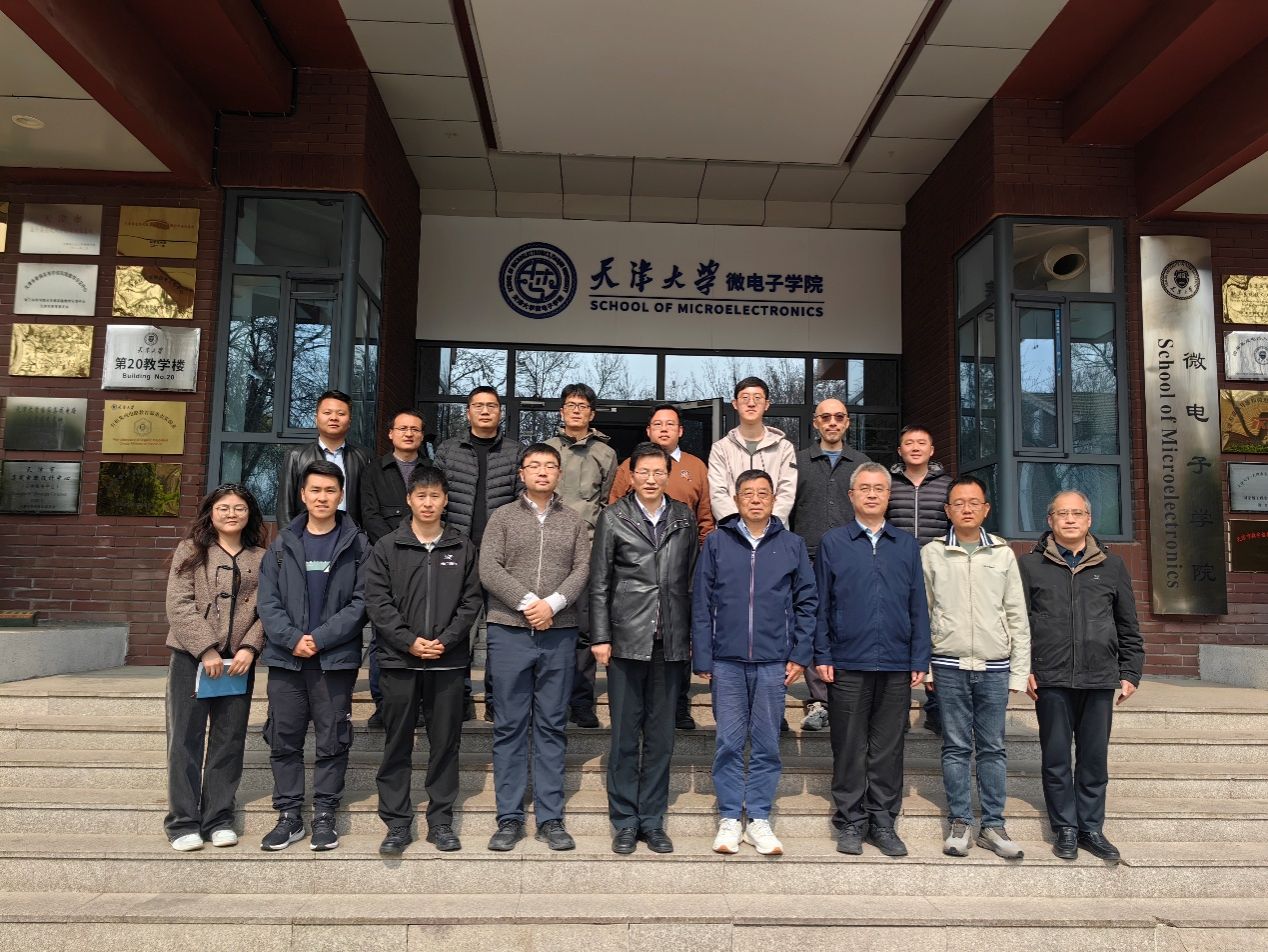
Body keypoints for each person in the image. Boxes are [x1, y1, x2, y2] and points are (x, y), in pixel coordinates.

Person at [692, 469, 816, 856]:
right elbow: (701, 601)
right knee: (729, 741)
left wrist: (800, 654)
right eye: (748, 493)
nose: (756, 500)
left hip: (773, 661)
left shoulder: (792, 544)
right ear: (736, 499)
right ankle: (730, 816)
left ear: (774, 499)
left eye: (763, 493)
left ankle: (759, 817)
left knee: (766, 743)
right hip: (726, 660)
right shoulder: (717, 542)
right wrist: (703, 654)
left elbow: (807, 602)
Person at [1019, 490, 1144, 865]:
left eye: (1077, 513)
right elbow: (1018, 623)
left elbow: (1127, 624)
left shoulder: (1113, 566)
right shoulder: (1030, 566)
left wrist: (1130, 671)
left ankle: (1091, 828)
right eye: (1062, 514)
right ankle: (1065, 829)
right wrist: (1023, 667)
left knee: (1093, 759)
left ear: (1089, 520)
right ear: (1050, 521)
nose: (1070, 519)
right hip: (1051, 677)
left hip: (1099, 677)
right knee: (1056, 758)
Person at [364, 464, 482, 856]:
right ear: (409, 500)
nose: (428, 503)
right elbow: (377, 602)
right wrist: (409, 641)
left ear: (445, 500)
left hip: (447, 663)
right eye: (421, 496)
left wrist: (445, 641)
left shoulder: (462, 546)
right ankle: (397, 823)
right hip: (399, 662)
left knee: (445, 743)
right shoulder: (387, 547)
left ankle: (441, 821)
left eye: (435, 496)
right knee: (397, 743)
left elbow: (471, 602)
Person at [814, 462, 930, 858]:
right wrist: (822, 652)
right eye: (864, 488)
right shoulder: (833, 542)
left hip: (896, 662)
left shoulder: (906, 545)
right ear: (851, 496)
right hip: (847, 660)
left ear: (888, 495)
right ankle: (851, 820)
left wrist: (919, 656)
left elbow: (918, 605)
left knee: (888, 749)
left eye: (879, 488)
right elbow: (820, 603)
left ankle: (882, 821)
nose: (872, 494)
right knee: (848, 746)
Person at [479, 443, 591, 853]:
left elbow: (582, 568)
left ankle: (550, 818)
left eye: (550, 466)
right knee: (509, 725)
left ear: (559, 474)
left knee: (551, 725)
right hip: (509, 630)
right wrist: (529, 604)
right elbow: (488, 567)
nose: (542, 472)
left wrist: (553, 605)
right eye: (534, 465)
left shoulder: (574, 522)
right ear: (522, 473)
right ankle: (509, 818)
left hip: (559, 633)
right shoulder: (502, 517)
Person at [257, 460, 370, 852]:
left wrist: (319, 638)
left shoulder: (358, 545)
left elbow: (362, 602)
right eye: (315, 490)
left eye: (330, 491)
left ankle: (324, 814)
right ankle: (289, 815)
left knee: (332, 738)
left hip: (333, 660)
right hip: (286, 659)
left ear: (341, 495)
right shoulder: (282, 544)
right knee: (284, 738)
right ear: (303, 495)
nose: (322, 497)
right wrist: (292, 639)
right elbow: (267, 601)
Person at [591, 442, 697, 855]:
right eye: (644, 472)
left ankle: (652, 821)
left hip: (670, 641)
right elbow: (600, 581)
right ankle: (624, 821)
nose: (651, 479)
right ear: (631, 476)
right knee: (623, 737)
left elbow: (690, 580)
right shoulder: (613, 517)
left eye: (658, 472)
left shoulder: (683, 517)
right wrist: (600, 636)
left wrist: (691, 635)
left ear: (668, 475)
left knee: (660, 738)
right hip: (626, 639)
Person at [921, 475, 1030, 859]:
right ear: (947, 510)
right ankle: (960, 822)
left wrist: (1019, 670)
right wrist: (926, 667)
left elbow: (1016, 614)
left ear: (985, 509)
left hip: (994, 666)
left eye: (974, 503)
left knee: (993, 748)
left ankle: (994, 825)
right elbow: (924, 611)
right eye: (958, 503)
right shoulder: (933, 553)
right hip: (947, 663)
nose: (966, 509)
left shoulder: (1002, 553)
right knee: (955, 747)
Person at [163, 484, 267, 851]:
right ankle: (182, 822)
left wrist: (251, 648)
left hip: (238, 663)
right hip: (191, 659)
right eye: (224, 507)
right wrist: (205, 649)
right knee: (185, 740)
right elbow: (178, 604)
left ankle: (219, 818)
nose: (231, 514)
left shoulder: (262, 557)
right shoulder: (191, 550)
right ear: (211, 512)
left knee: (229, 740)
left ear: (250, 515)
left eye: (239, 508)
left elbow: (268, 608)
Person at [608, 403, 714, 730]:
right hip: (637, 572)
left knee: (677, 641)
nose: (664, 429)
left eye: (670, 424)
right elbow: (614, 510)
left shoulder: (696, 466)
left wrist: (698, 558)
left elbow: (705, 518)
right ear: (649, 431)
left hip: (680, 566)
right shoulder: (629, 466)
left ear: (681, 431)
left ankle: (679, 706)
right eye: (658, 424)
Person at [435, 386, 523, 723]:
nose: (485, 411)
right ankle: (458, 699)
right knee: (459, 628)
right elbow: (438, 498)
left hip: (502, 558)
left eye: (491, 406)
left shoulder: (515, 452)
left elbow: (521, 502)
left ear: (500, 412)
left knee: (501, 632)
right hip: (458, 552)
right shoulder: (448, 450)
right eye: (478, 406)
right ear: (468, 412)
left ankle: (495, 701)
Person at [789, 398, 870, 732]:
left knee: (849, 623)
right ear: (816, 422)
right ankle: (820, 700)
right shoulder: (798, 462)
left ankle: (849, 694)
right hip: (808, 555)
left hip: (853, 555)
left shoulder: (862, 464)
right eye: (826, 417)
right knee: (812, 623)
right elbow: (788, 508)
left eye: (839, 417)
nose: (832, 422)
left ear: (847, 422)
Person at [546, 383, 617, 730]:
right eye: (570, 404)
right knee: (552, 628)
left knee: (585, 631)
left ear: (592, 413)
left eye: (583, 405)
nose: (576, 410)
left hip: (588, 550)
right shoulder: (547, 449)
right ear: (562, 411)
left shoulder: (605, 453)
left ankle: (582, 701)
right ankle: (552, 700)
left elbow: (607, 503)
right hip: (550, 549)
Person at [360, 408, 427, 729]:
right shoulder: (373, 470)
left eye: (415, 429)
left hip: (425, 561)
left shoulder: (431, 470)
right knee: (383, 634)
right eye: (403, 428)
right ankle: (383, 704)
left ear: (422, 436)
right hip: (385, 561)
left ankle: (419, 704)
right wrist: (396, 548)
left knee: (422, 631)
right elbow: (369, 514)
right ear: (391, 434)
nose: (409, 434)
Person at [886, 424, 953, 735]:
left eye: (921, 443)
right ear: (900, 451)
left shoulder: (947, 486)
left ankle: (936, 706)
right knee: (898, 635)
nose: (915, 447)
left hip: (937, 570)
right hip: (895, 570)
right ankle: (896, 708)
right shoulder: (888, 484)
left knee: (936, 636)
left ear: (932, 450)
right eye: (909, 443)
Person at [707, 376, 798, 524]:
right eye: (745, 398)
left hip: (774, 531)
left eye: (757, 398)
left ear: (766, 404)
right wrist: (738, 528)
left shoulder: (784, 448)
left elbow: (786, 493)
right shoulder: (721, 448)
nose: (751, 403)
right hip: (732, 532)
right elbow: (718, 493)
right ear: (735, 404)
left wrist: (768, 526)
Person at [276, 389, 371, 527]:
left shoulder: (363, 457)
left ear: (349, 421)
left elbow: (369, 506)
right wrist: (290, 538)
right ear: (316, 418)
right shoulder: (296, 456)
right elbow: (285, 508)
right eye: (327, 413)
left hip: (351, 535)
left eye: (341, 414)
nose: (334, 418)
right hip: (306, 535)